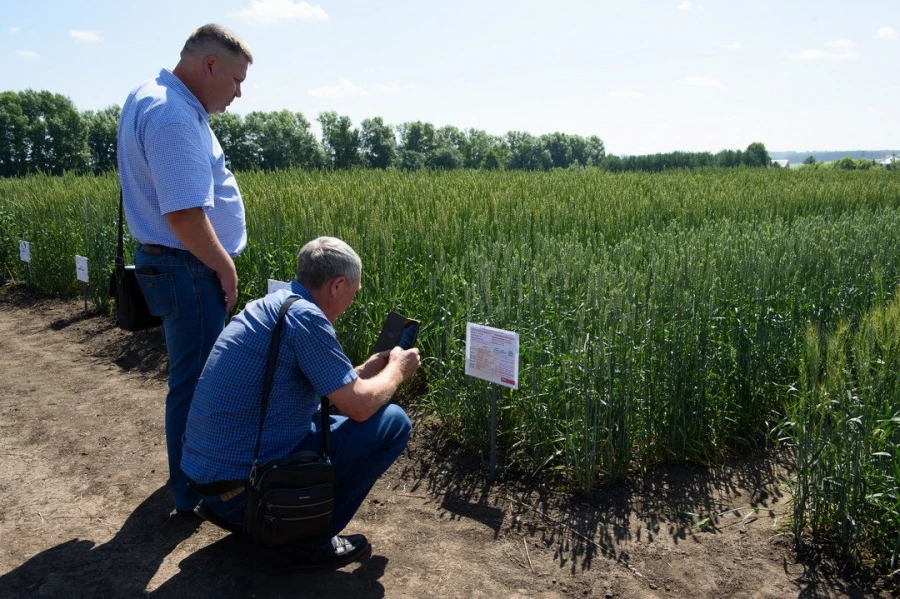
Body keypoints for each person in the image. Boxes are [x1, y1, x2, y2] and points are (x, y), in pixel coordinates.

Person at [182, 237, 421, 568]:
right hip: (242, 494)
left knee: (330, 422)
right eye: (354, 292)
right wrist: (397, 370)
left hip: (210, 486)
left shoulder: (274, 306)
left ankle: (266, 524)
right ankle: (308, 541)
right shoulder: (306, 318)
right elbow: (360, 407)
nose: (351, 302)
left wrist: (366, 370)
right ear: (337, 285)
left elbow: (324, 388)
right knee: (393, 422)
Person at [116, 23, 253, 515]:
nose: (239, 93)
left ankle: (188, 475)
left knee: (189, 380)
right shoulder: (173, 114)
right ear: (209, 64)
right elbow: (183, 214)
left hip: (176, 265)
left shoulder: (150, 96)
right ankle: (194, 489)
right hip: (189, 268)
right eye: (236, 79)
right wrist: (224, 267)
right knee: (196, 385)